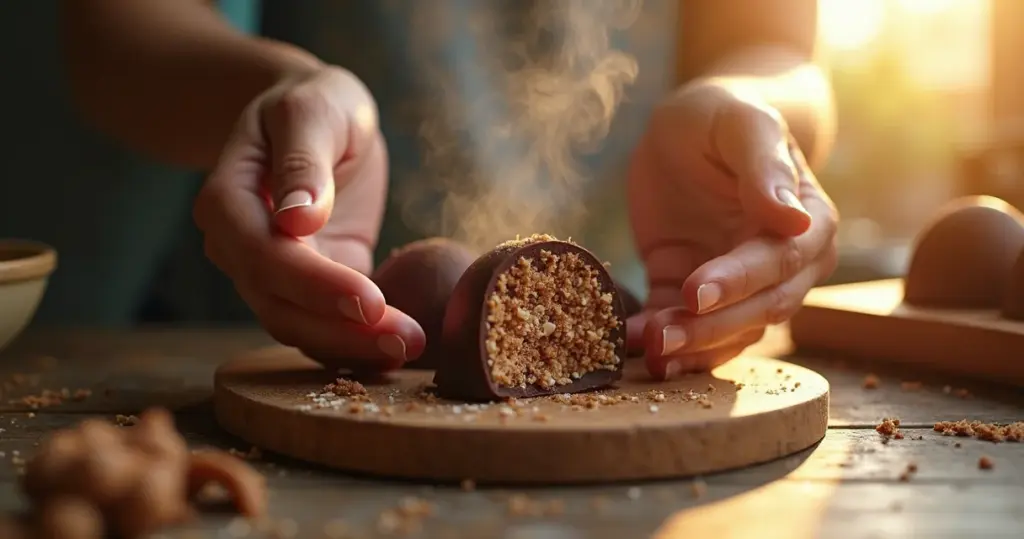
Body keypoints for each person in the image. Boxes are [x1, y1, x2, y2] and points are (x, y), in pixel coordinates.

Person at [60, 0, 838, 380]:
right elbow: (115, 27)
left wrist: (753, 124)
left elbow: (771, 42)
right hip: (276, 342)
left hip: (650, 332)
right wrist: (287, 93)